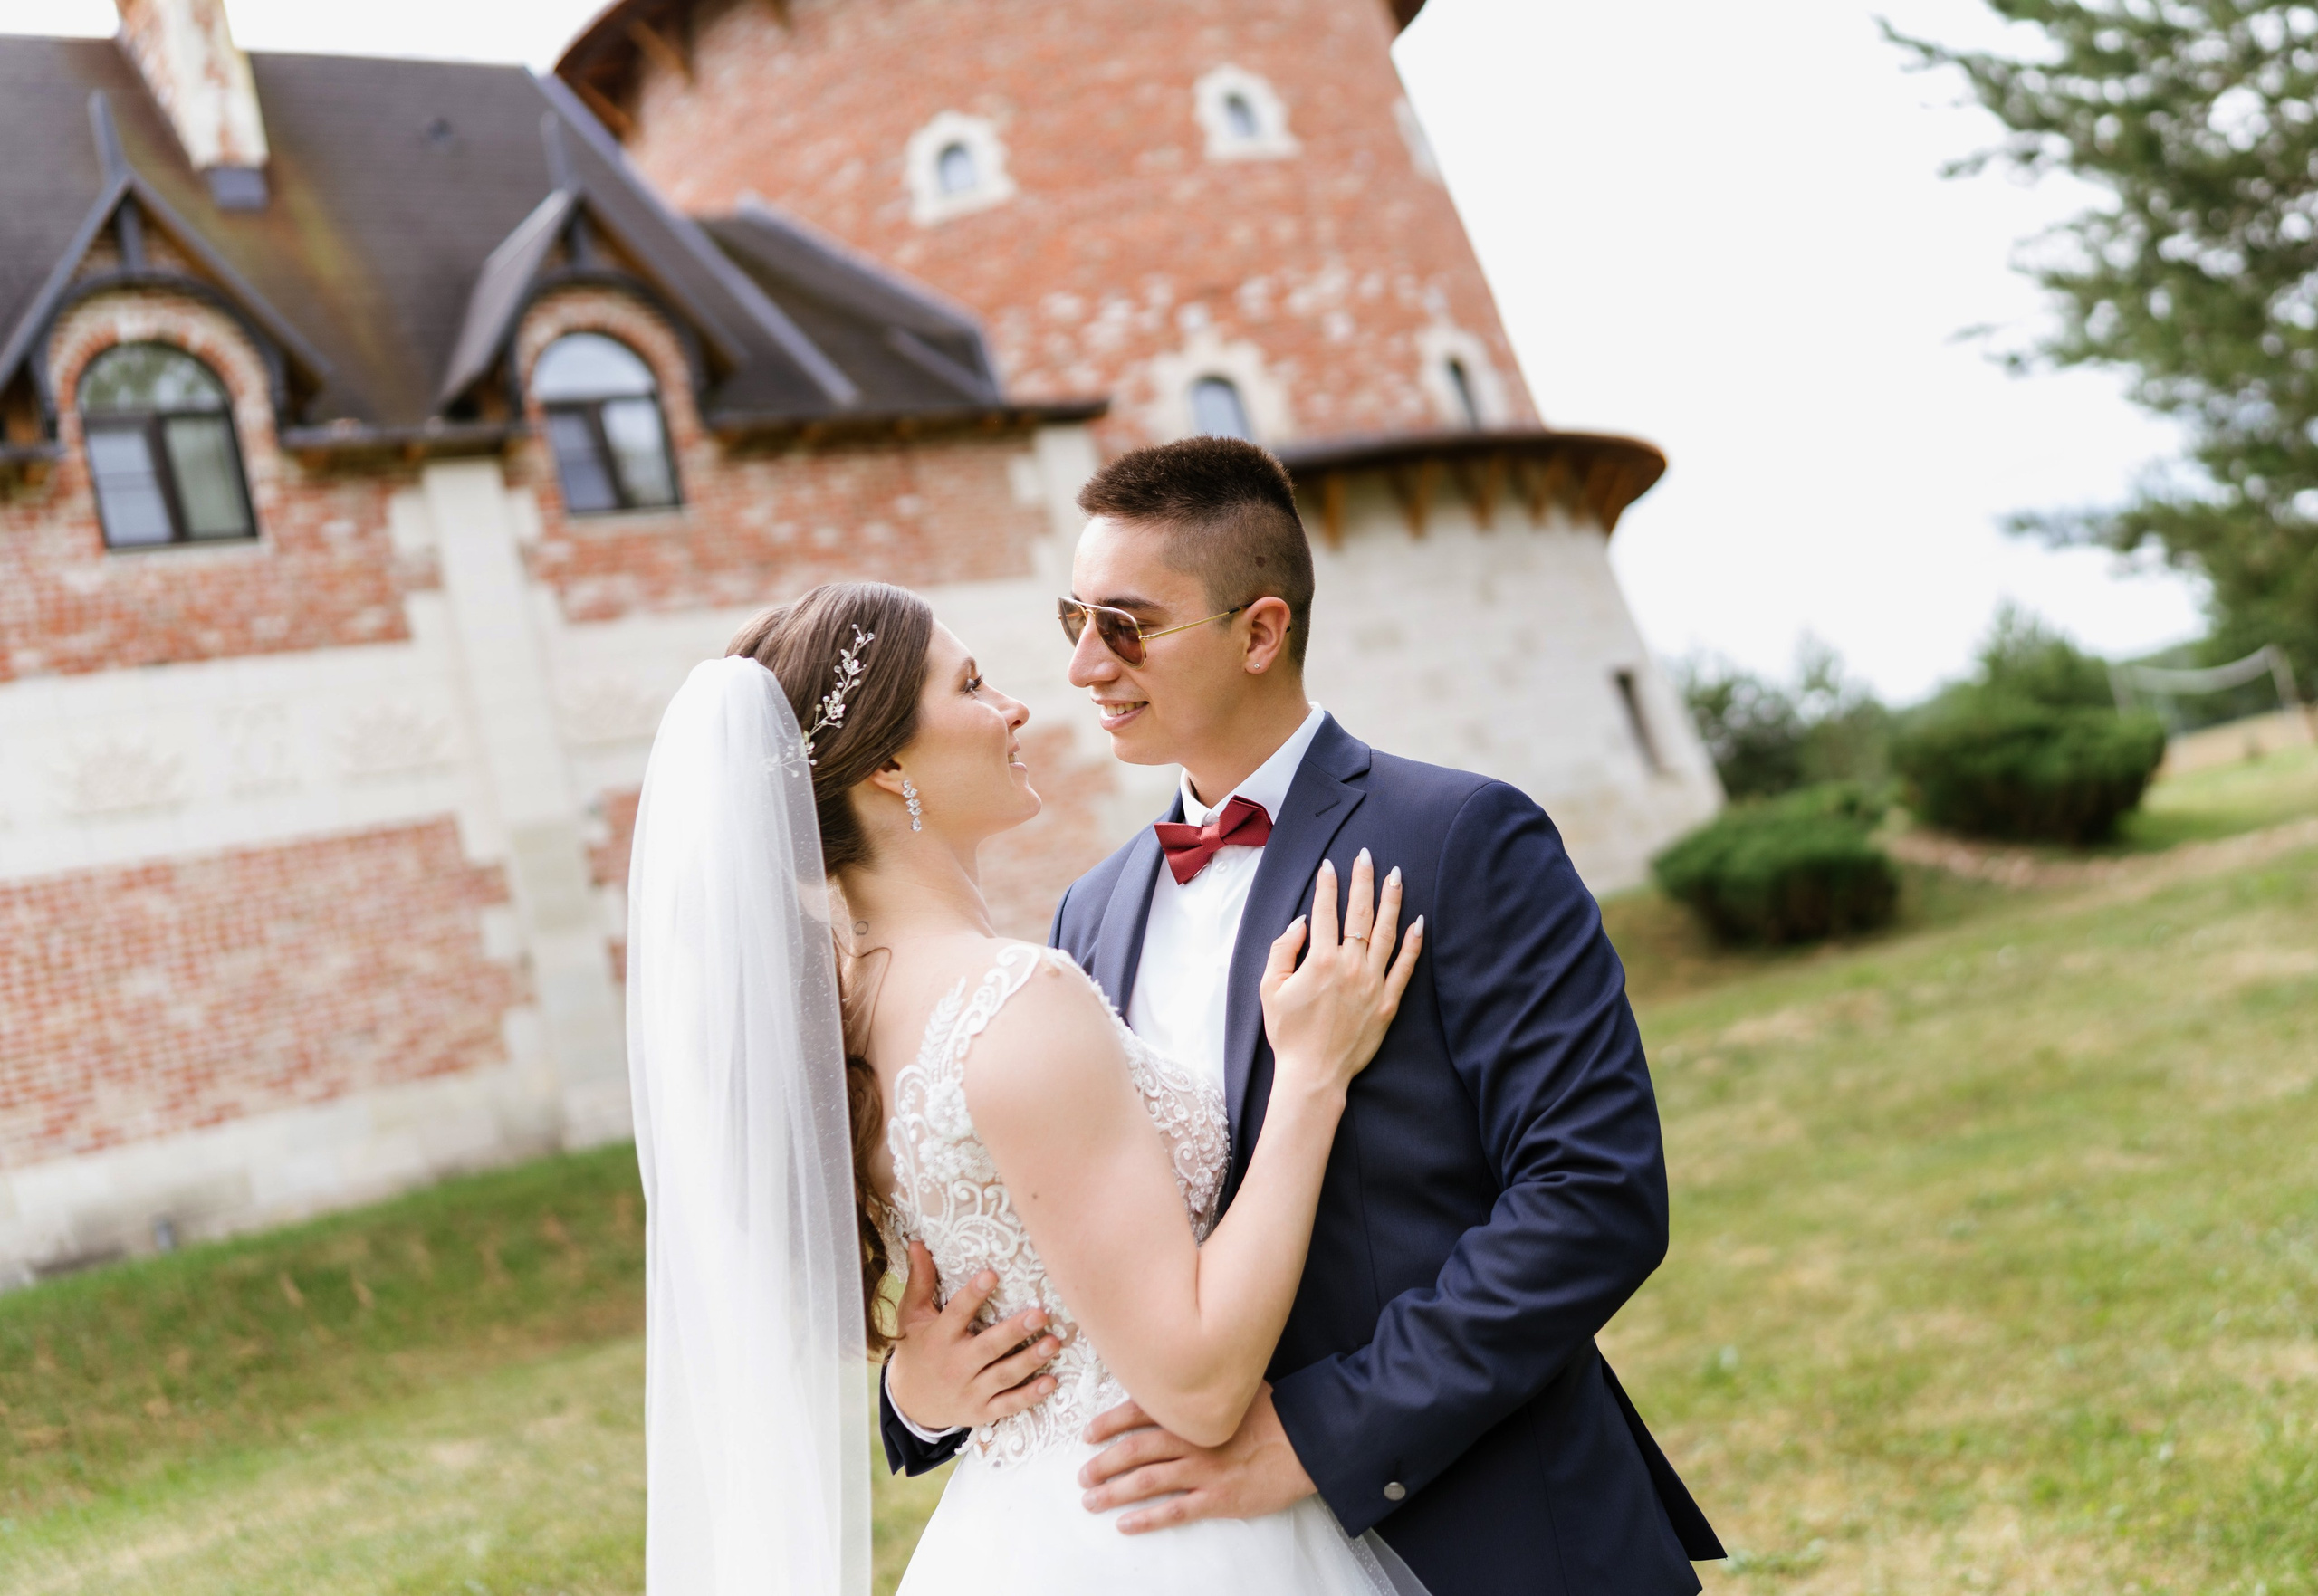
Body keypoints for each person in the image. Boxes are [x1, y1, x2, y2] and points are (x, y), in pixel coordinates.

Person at [879, 437, 1724, 1596]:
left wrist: (1321, 1435)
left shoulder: (1460, 837)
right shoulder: (1090, 911)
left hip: (1484, 1525)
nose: (1081, 665)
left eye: (1125, 626)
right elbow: (1072, 1235)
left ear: (1259, 631)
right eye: (1074, 617)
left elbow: (1591, 1197)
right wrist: (916, 1397)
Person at [625, 578, 1427, 1596]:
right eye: (971, 685)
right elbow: (1197, 1383)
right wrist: (1311, 1077)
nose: (1014, 707)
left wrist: (913, 1391)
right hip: (1156, 1532)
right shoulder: (1014, 1000)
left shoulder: (847, 1027)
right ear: (887, 767)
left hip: (1013, 1530)